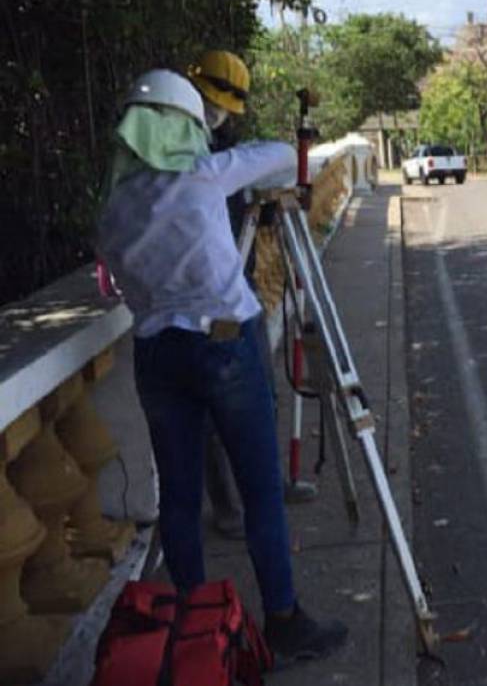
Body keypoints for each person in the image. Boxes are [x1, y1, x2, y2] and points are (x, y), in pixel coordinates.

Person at [97, 69, 347, 664]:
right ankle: (282, 620)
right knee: (260, 491)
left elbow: (118, 283)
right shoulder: (205, 175)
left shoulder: (113, 208)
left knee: (180, 501)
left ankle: (193, 629)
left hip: (156, 356)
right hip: (224, 346)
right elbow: (283, 156)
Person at [187, 49, 259, 540]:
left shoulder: (229, 148)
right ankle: (230, 508)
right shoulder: (179, 156)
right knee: (215, 410)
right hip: (204, 298)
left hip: (242, 282)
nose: (219, 115)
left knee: (258, 396)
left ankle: (261, 487)